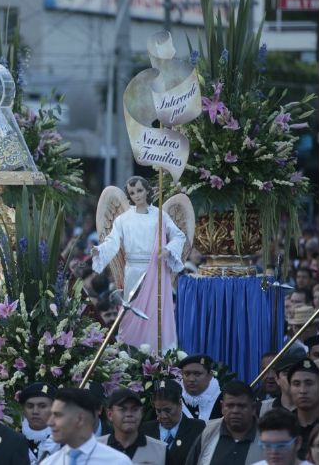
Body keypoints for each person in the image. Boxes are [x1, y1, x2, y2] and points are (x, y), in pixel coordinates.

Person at [92, 176, 186, 351]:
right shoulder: (123, 220)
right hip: (133, 271)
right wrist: (100, 250)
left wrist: (168, 249)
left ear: (147, 190)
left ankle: (159, 352)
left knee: (155, 312)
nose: (136, 195)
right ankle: (132, 350)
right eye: (132, 192)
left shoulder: (160, 216)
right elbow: (113, 241)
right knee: (132, 312)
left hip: (156, 270)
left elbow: (179, 235)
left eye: (140, 190)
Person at [40, 387, 131, 465]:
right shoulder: (49, 463)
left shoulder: (117, 462)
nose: (50, 422)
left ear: (79, 419)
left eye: (58, 415)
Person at [184, 380, 263, 465]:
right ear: (222, 407)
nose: (235, 411)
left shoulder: (267, 436)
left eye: (241, 406)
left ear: (254, 408)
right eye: (230, 405)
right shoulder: (209, 432)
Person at [140, 379, 206, 465]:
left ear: (180, 403)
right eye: (158, 411)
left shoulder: (197, 428)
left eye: (168, 410)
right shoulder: (145, 430)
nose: (163, 416)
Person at [98, 388, 166, 464]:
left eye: (135, 409)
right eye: (123, 409)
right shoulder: (95, 449)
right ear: (110, 414)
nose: (129, 414)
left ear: (142, 413)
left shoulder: (161, 450)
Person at [19, 382, 60, 464]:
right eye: (30, 406)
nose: (35, 411)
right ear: (23, 411)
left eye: (42, 406)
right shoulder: (12, 440)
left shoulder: (66, 441)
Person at [287, 360, 318, 460]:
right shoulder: (283, 425)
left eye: (309, 383)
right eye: (296, 384)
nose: (303, 390)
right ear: (290, 389)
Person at [178, 354, 222, 422]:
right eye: (187, 374)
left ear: (210, 375)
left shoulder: (221, 399)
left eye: (197, 374)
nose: (191, 379)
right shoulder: (175, 398)